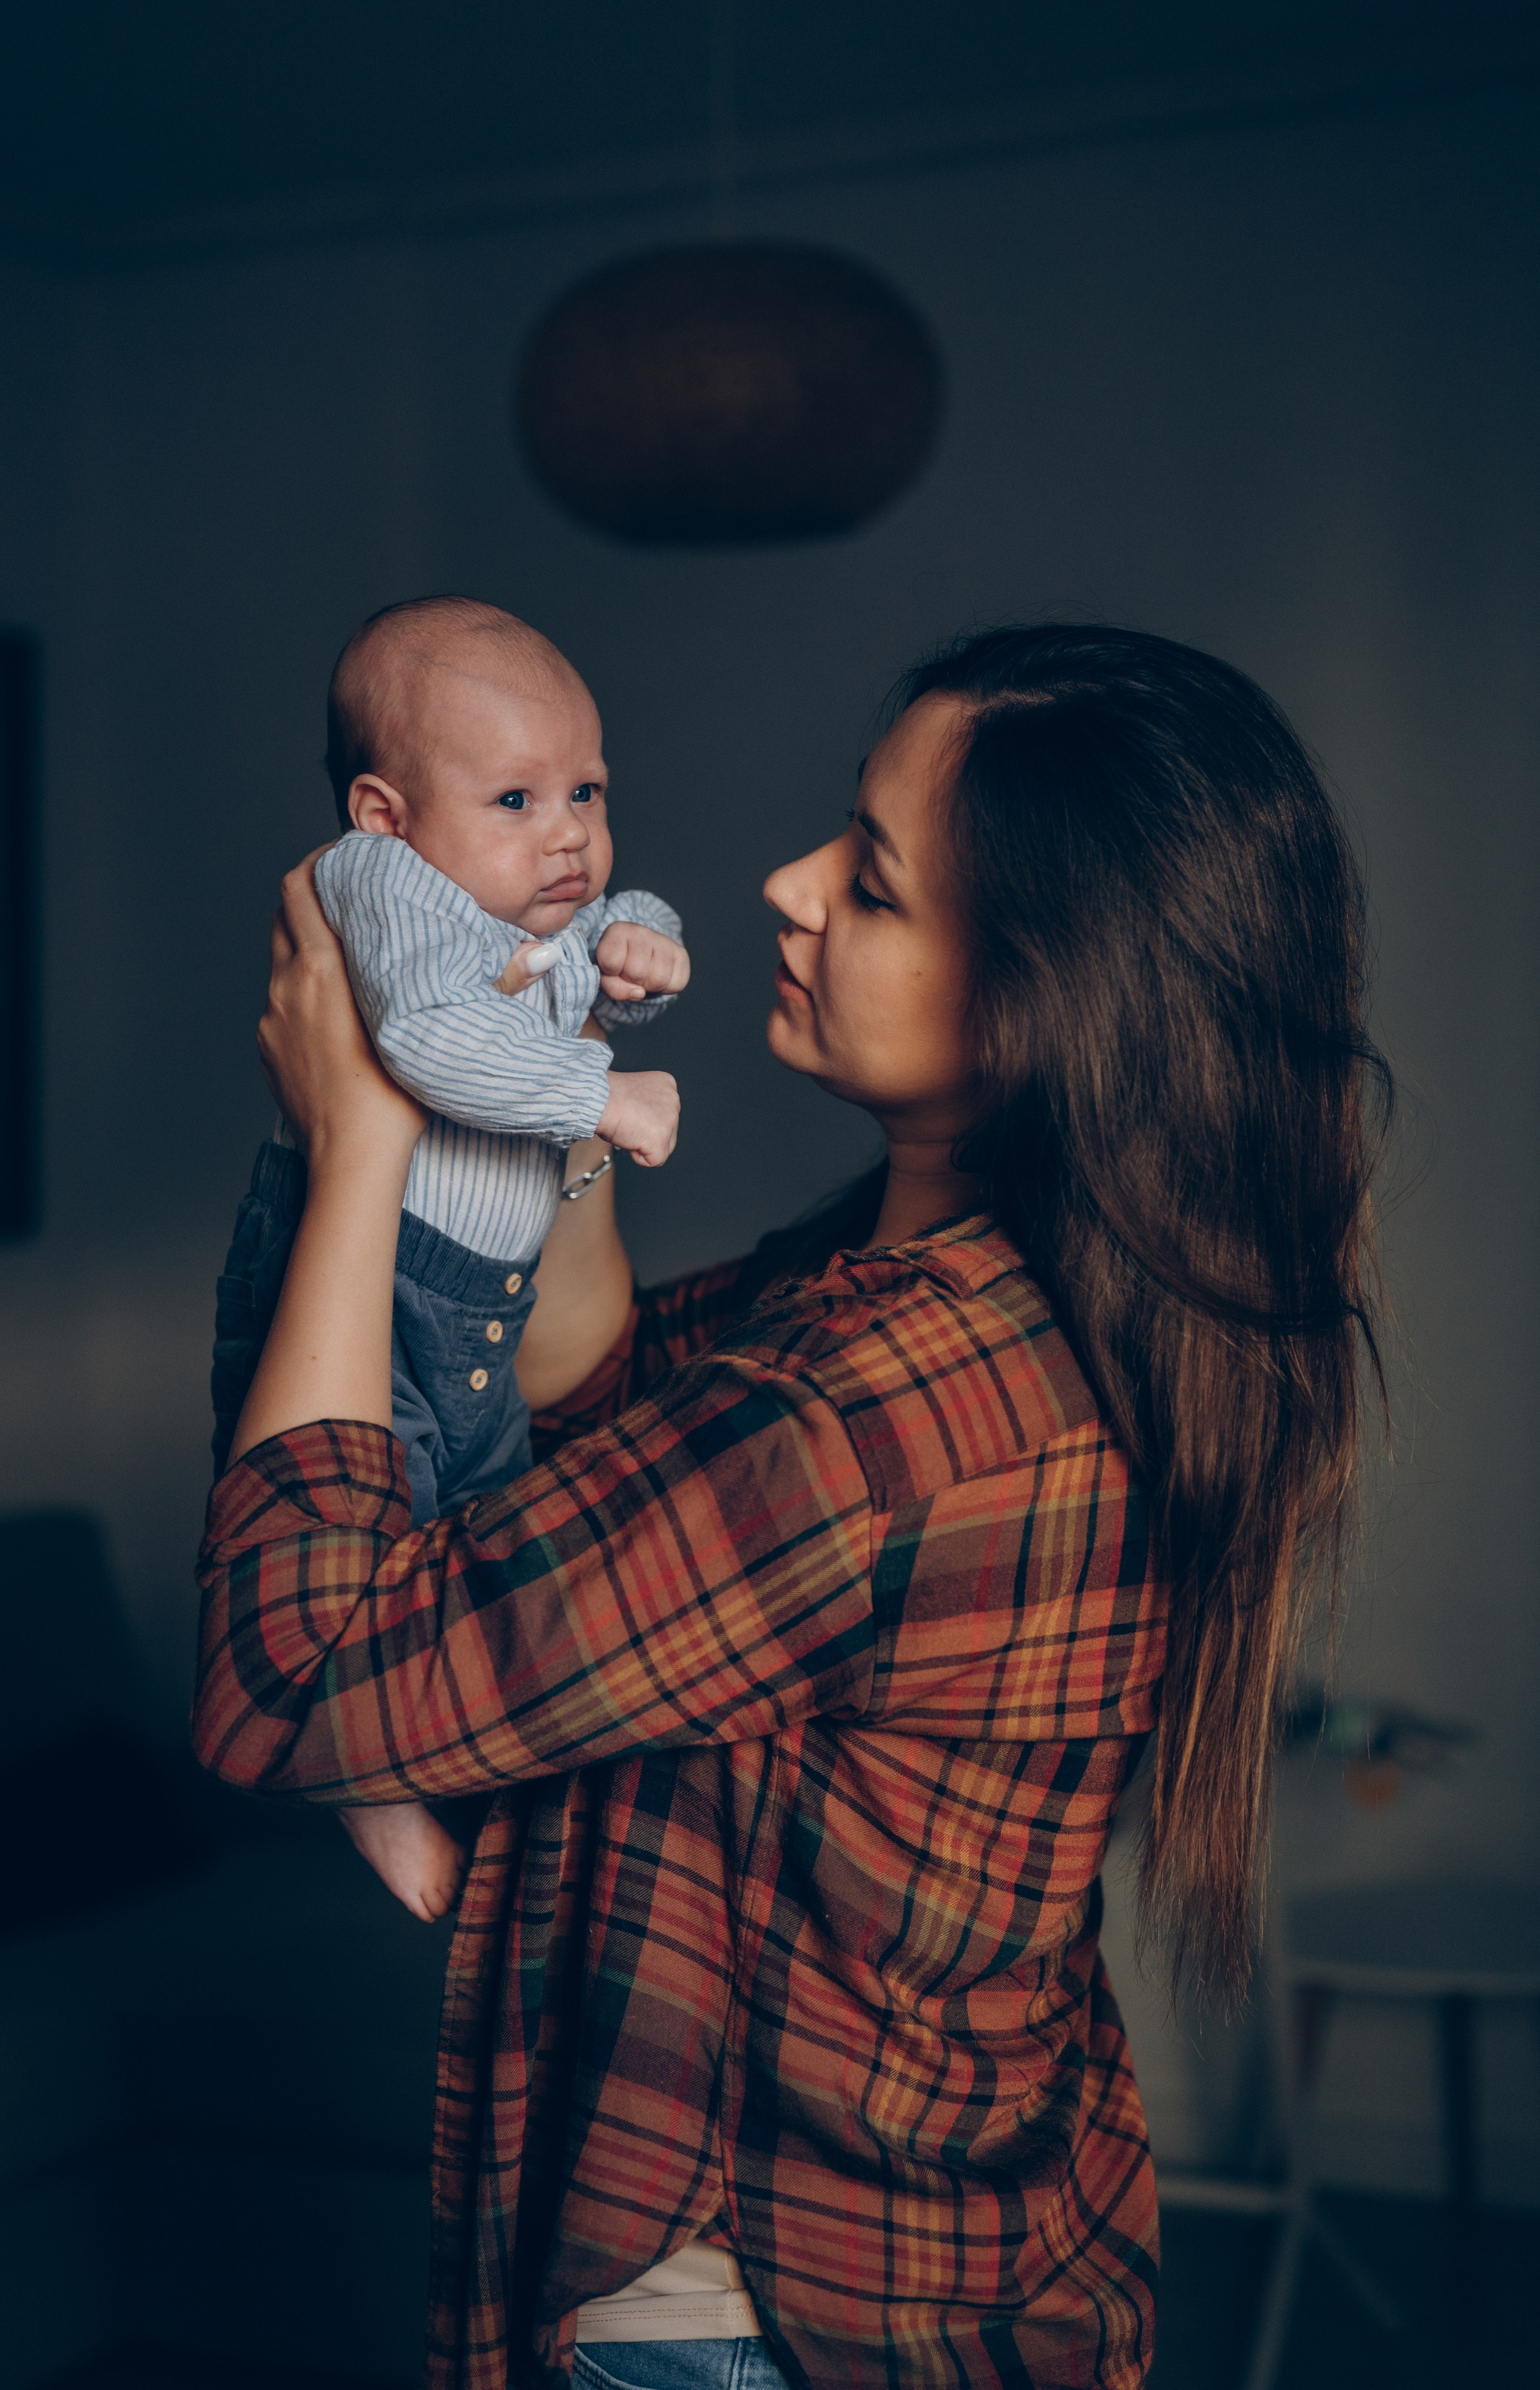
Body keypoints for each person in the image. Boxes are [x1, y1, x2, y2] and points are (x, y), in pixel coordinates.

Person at [193, 624, 1390, 2390]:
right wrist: (536, 1082)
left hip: (755, 2323)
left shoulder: (886, 1417)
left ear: (1039, 1002)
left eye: (874, 883)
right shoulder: (962, 1291)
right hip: (973, 2259)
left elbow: (285, 1676)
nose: (789, 884)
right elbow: (598, 1405)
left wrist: (361, 1140)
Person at [208, 595, 687, 1922]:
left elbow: (605, 929)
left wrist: (638, 944)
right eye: (519, 798)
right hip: (378, 1282)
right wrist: (601, 1096)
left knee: (473, 1535)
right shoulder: (384, 886)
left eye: (587, 790)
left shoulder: (521, 896)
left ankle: (451, 1786)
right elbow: (428, 1041)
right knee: (373, 1530)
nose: (569, 832)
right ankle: (356, 1782)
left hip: (479, 1302)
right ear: (384, 814)